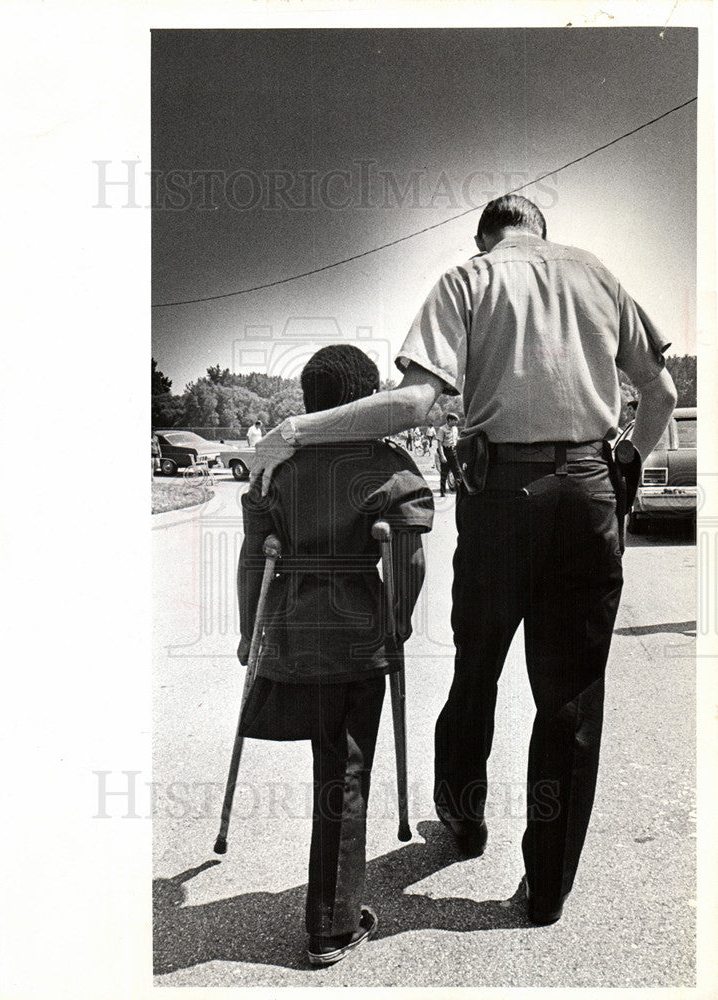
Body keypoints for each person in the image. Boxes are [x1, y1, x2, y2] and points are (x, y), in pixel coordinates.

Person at [250, 194, 677, 925]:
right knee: (570, 697)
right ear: (543, 231)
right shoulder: (599, 276)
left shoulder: (468, 280)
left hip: (501, 495)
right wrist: (624, 459)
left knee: (476, 663)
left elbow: (417, 402)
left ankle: (463, 815)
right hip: (586, 488)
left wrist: (293, 429)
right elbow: (660, 390)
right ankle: (545, 891)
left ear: (484, 236)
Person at [237, 344, 433, 966]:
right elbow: (408, 557)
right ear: (367, 401)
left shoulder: (276, 471)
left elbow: (251, 559)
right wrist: (396, 622)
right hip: (355, 642)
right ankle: (332, 924)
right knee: (345, 771)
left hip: (292, 634)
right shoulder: (385, 464)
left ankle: (331, 904)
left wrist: (250, 632)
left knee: (328, 761)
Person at [435, 412, 461, 496]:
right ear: (449, 420)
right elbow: (439, 444)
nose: (456, 422)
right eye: (455, 420)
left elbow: (456, 439)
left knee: (457, 472)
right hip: (446, 452)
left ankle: (459, 492)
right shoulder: (442, 429)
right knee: (444, 473)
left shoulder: (455, 429)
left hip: (454, 452)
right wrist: (442, 456)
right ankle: (442, 492)